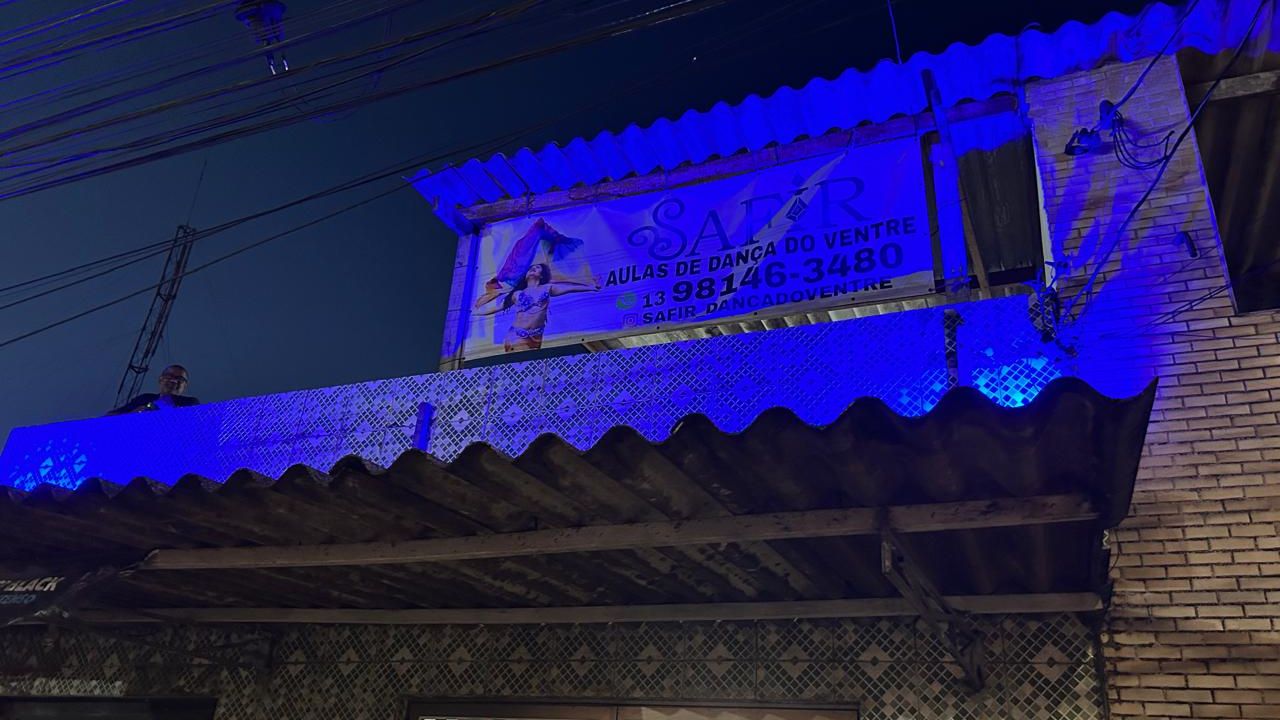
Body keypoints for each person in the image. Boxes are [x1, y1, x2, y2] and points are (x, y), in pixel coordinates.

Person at [473, 263, 599, 352]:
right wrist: (475, 313)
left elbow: (570, 288)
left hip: (537, 336)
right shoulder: (517, 294)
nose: (533, 269)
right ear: (526, 275)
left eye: (537, 268)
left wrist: (591, 287)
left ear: (542, 275)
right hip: (517, 335)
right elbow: (498, 308)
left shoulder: (548, 288)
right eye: (530, 269)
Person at [108, 365, 201, 415]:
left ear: (185, 385)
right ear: (160, 380)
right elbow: (114, 415)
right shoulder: (144, 398)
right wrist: (133, 414)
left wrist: (151, 407)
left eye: (180, 379)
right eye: (169, 376)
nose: (174, 381)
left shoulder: (190, 402)